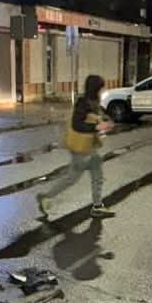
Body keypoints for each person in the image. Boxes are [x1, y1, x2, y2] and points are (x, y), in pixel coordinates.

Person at [37, 74, 115, 220]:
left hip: (88, 147)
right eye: (101, 87)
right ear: (95, 88)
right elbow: (77, 125)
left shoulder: (93, 102)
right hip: (81, 149)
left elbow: (97, 116)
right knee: (73, 178)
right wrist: (97, 126)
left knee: (93, 175)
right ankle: (46, 197)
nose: (103, 90)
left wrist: (105, 120)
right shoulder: (83, 103)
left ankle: (97, 206)